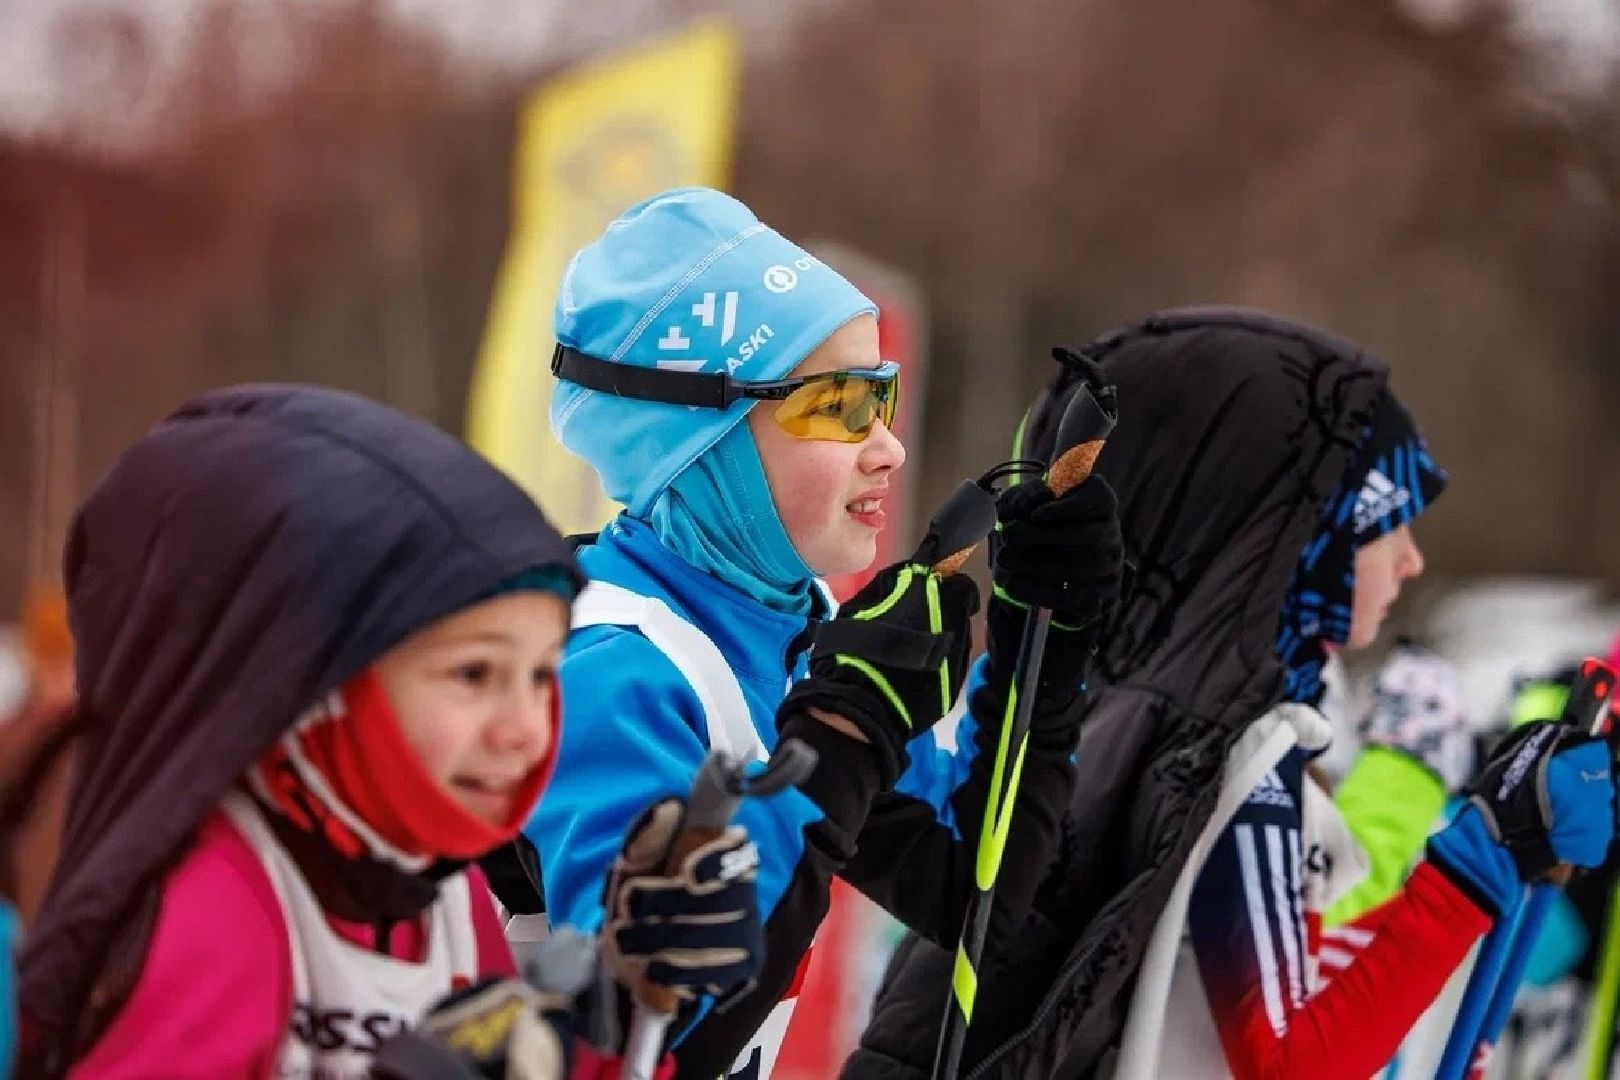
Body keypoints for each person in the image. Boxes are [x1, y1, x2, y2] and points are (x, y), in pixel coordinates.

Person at [850, 307, 1618, 1079]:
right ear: (1302, 540)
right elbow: (1294, 1064)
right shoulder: (1237, 752)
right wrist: (1477, 861)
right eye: (1387, 525)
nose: (1411, 560)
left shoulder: (1127, 706)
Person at [522, 186, 1124, 1078]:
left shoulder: (791, 630)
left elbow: (975, 889)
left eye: (882, 396)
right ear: (700, 437)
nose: (888, 447)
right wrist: (845, 730)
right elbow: (658, 1040)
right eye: (838, 404)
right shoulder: (608, 672)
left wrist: (1043, 637)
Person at [15, 384, 762, 1079]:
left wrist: (615, 1008)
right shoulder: (214, 901)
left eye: (540, 675)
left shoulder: (433, 884)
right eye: (473, 674)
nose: (523, 730)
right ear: (313, 683)